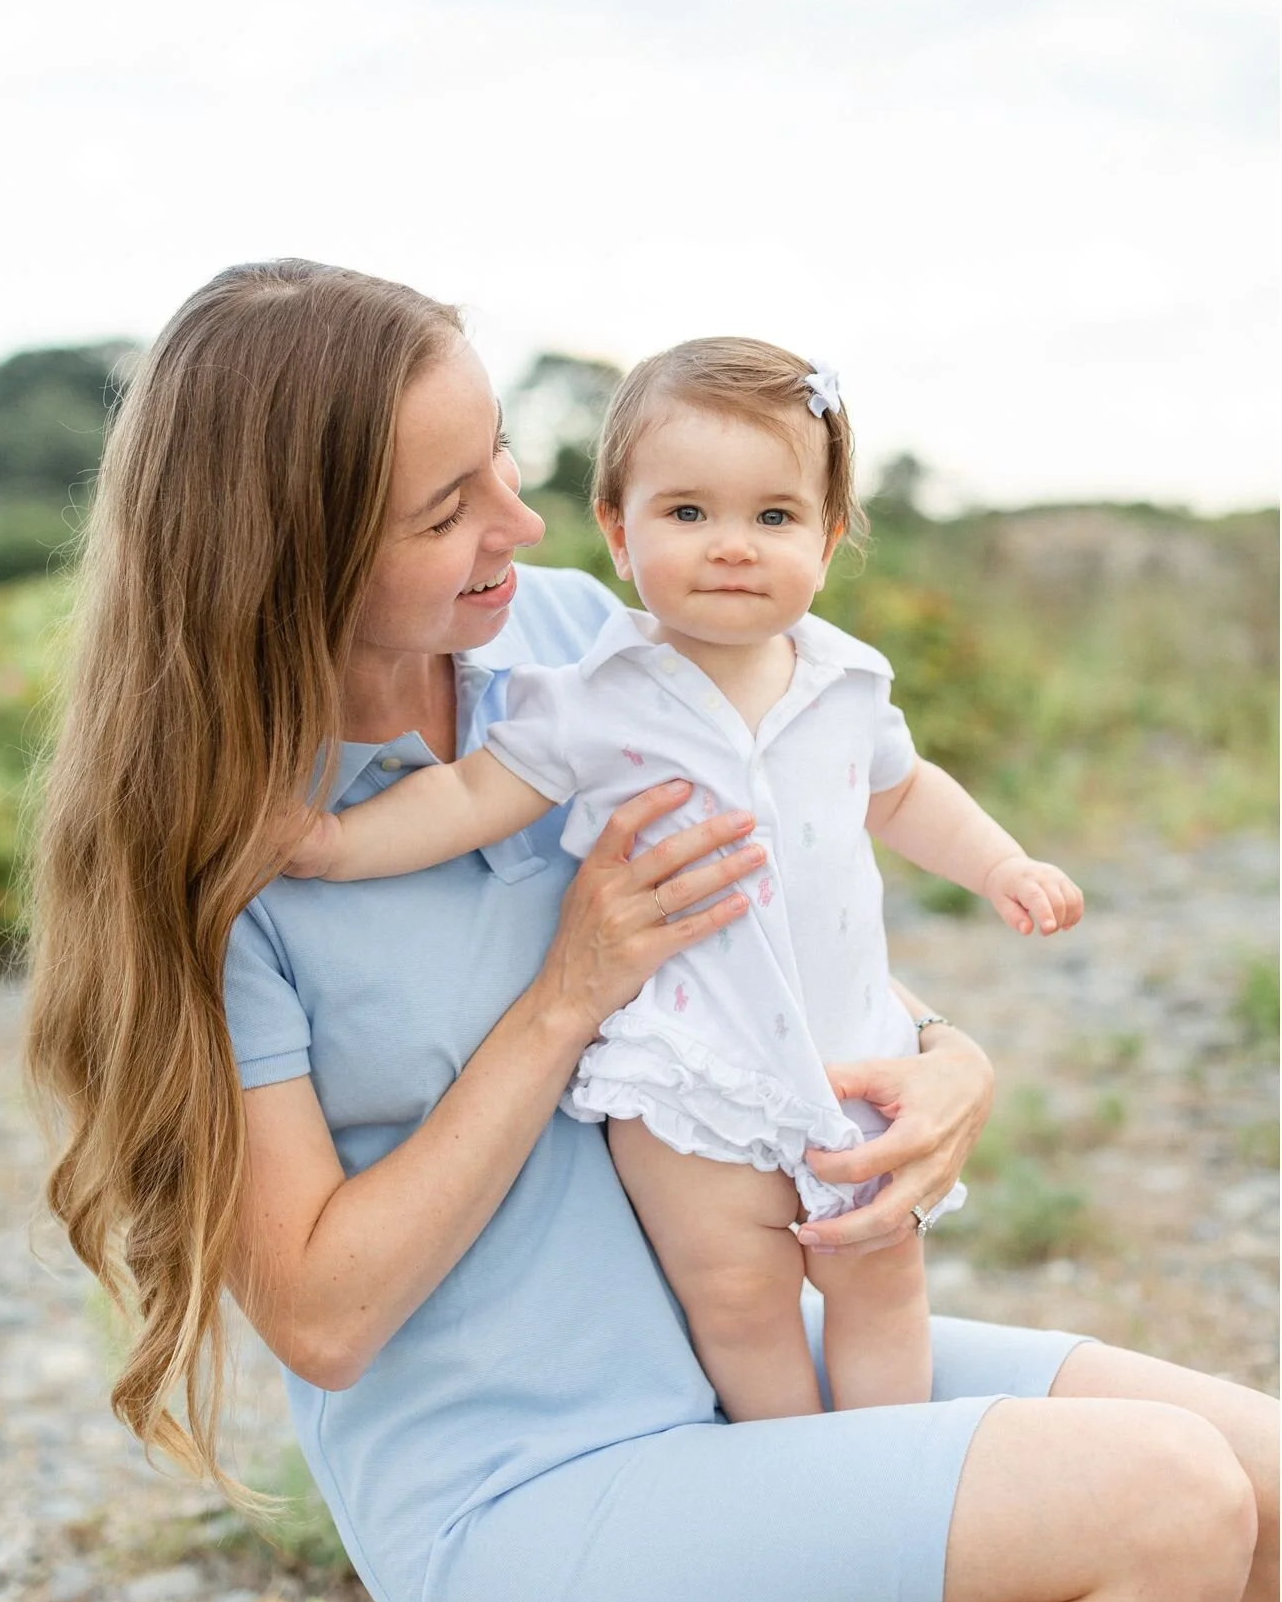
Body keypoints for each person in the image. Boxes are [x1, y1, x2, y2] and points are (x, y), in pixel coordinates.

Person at [25, 259, 1276, 1602]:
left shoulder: (577, 632)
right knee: (1163, 1504)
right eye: (446, 510)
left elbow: (759, 907)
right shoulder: (221, 864)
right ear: (288, 558)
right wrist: (563, 998)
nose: (522, 518)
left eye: (500, 452)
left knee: (1266, 1486)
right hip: (529, 1481)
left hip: (742, 1353)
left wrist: (938, 1056)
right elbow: (322, 1318)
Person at [278, 336, 1082, 1420]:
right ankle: (786, 1457)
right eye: (688, 513)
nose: (733, 546)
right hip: (689, 1070)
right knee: (739, 1299)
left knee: (881, 1278)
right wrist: (338, 844)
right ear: (619, 531)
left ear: (829, 540)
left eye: (775, 517)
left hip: (849, 1053)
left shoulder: (846, 681)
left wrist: (1001, 864)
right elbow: (468, 796)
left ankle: (891, 1453)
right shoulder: (596, 692)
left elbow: (901, 793)